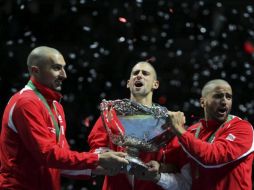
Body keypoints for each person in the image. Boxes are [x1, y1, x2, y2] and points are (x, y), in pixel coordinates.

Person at [0, 46, 129, 190]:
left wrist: (94, 169)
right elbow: (47, 155)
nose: (64, 75)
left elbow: (61, 160)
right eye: (56, 68)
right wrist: (97, 159)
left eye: (63, 68)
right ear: (35, 71)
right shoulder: (25, 103)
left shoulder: (56, 106)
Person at [144, 79, 254, 190]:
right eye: (218, 96)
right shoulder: (192, 131)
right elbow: (186, 181)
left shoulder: (242, 128)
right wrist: (159, 173)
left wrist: (178, 128)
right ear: (203, 102)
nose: (224, 101)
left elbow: (211, 157)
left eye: (228, 97)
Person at [88, 61, 174, 190]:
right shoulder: (110, 115)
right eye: (135, 73)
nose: (139, 75)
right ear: (128, 83)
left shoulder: (167, 121)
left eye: (145, 73)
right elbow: (95, 151)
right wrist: (108, 155)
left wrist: (159, 167)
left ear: (155, 84)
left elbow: (176, 164)